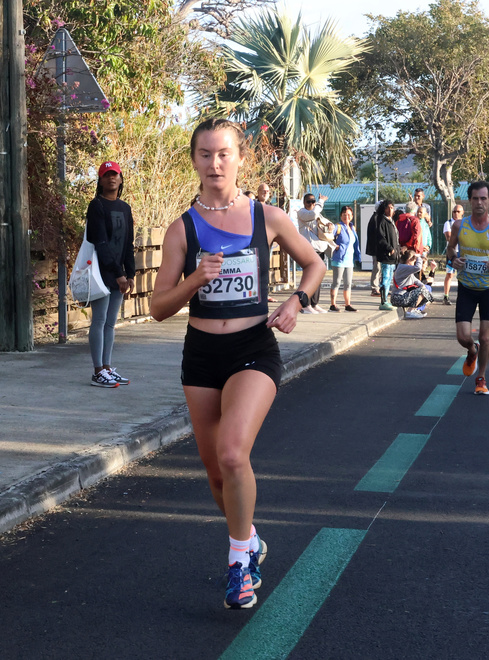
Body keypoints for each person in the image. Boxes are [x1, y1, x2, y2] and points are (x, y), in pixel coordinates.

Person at [150, 118, 325, 609]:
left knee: (232, 453)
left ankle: (238, 563)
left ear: (240, 158)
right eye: (205, 154)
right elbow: (159, 306)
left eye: (224, 153)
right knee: (214, 473)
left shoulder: (265, 217)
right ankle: (249, 538)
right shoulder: (181, 228)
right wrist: (193, 282)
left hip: (254, 348)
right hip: (202, 356)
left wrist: (296, 302)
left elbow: (315, 264)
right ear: (194, 161)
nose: (214, 163)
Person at [446, 181, 489, 395]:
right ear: (469, 201)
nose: (479, 203)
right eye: (475, 198)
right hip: (466, 286)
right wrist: (454, 259)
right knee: (463, 337)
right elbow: (450, 250)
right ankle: (471, 351)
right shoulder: (459, 225)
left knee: (485, 337)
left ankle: (481, 378)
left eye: (483, 198)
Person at [86, 161, 136, 388]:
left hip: (120, 275)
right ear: (100, 180)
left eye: (115, 174)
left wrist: (131, 273)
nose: (111, 178)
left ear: (121, 179)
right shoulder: (96, 206)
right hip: (101, 273)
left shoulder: (125, 208)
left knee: (110, 323)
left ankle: (107, 367)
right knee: (99, 320)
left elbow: (128, 244)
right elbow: (100, 242)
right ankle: (98, 371)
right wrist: (118, 273)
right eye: (106, 175)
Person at [296, 193, 335, 314]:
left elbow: (328, 223)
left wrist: (330, 226)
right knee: (309, 278)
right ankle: (305, 304)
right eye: (309, 201)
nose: (312, 204)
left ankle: (314, 303)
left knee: (318, 278)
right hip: (309, 250)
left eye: (313, 201)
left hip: (320, 250)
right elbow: (313, 215)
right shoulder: (302, 213)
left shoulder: (318, 213)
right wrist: (321, 201)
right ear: (304, 203)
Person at [329, 205, 359, 312]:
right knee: (336, 282)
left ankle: (348, 304)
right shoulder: (338, 226)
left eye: (349, 215)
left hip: (349, 260)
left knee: (348, 283)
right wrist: (335, 246)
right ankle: (333, 304)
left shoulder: (352, 227)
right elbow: (328, 236)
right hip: (339, 259)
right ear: (341, 215)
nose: (347, 217)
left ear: (352, 216)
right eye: (344, 215)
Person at [390, 248, 434, 318]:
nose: (415, 262)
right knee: (422, 291)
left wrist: (424, 288)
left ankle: (414, 309)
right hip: (398, 297)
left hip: (402, 297)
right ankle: (410, 312)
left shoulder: (407, 271)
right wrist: (419, 257)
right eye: (414, 260)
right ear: (409, 260)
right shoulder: (402, 267)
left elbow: (416, 281)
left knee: (425, 291)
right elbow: (418, 268)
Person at [374, 200, 400, 311]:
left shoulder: (391, 221)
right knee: (385, 277)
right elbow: (380, 238)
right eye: (388, 207)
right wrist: (389, 248)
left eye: (392, 207)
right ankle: (383, 301)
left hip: (393, 256)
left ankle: (386, 300)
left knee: (389, 277)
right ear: (384, 209)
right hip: (386, 255)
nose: (390, 210)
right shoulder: (381, 220)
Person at [405, 188, 435, 283]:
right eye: (415, 196)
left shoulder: (427, 207)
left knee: (423, 264)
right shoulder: (412, 209)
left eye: (419, 196)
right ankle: (418, 282)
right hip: (415, 245)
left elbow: (428, 222)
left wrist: (428, 245)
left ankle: (423, 282)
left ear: (423, 196)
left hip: (424, 242)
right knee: (415, 265)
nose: (417, 198)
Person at [442, 204, 464, 305]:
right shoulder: (448, 223)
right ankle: (446, 296)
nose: (456, 213)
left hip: (463, 251)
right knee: (450, 274)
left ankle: (463, 296)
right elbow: (448, 237)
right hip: (452, 251)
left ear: (462, 213)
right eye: (454, 211)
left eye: (458, 211)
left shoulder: (465, 223)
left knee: (463, 274)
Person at [365, 206, 382, 296]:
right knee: (377, 267)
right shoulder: (376, 218)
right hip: (377, 249)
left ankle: (380, 287)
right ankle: (375, 288)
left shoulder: (379, 217)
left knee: (380, 268)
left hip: (379, 249)